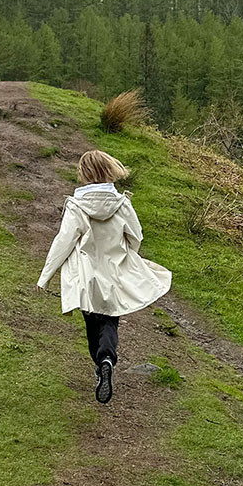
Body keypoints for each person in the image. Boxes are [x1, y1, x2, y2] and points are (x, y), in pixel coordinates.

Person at [36, 150, 172, 404]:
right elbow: (136, 236)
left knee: (92, 322)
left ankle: (100, 365)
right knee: (110, 319)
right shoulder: (122, 204)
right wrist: (128, 258)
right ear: (109, 170)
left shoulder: (76, 207)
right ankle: (108, 359)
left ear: (84, 174)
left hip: (87, 276)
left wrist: (45, 277)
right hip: (114, 273)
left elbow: (63, 242)